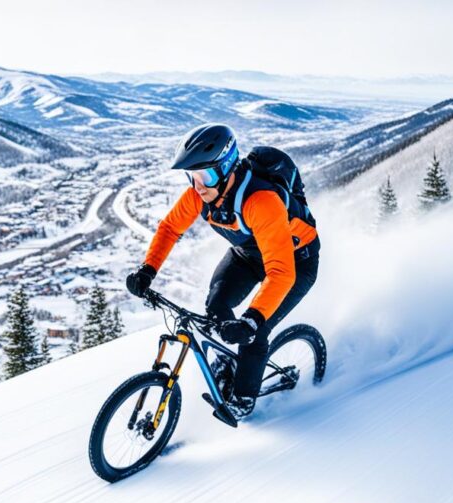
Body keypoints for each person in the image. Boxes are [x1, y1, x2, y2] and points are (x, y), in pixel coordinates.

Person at [125, 124, 320, 418]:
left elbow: (281, 273)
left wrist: (251, 321)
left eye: (205, 176)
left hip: (295, 262)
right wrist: (147, 270)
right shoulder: (198, 194)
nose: (198, 185)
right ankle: (231, 365)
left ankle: (243, 400)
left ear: (226, 167)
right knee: (216, 305)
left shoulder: (261, 202)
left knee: (255, 330)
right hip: (249, 255)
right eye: (192, 176)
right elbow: (169, 228)